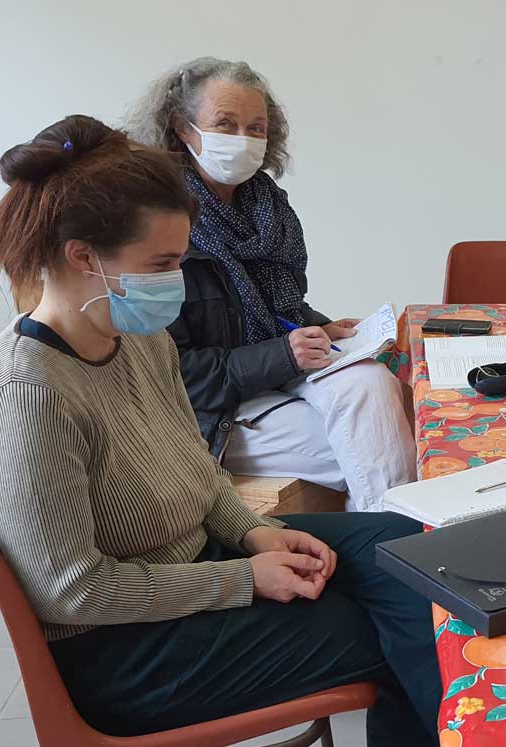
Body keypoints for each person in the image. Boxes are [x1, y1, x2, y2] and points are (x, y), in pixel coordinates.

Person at [0, 115, 439, 747]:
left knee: (412, 552)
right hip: (118, 653)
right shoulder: (28, 394)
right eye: (164, 261)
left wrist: (254, 531)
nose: (177, 281)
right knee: (402, 635)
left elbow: (197, 468)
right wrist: (245, 578)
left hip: (192, 564)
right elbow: (71, 594)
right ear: (83, 257)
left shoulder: (133, 334)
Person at [125, 58, 417, 512]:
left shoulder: (267, 205)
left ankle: (384, 543)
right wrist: (283, 353)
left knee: (372, 383)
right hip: (213, 411)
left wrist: (319, 326)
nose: (243, 140)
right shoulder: (158, 224)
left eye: (256, 128)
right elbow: (171, 377)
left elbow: (264, 311)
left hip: (276, 376)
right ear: (183, 129)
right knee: (379, 445)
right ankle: (395, 547)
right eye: (226, 124)